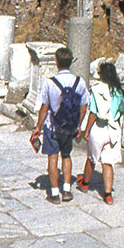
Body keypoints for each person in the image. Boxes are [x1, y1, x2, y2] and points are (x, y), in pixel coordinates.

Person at [30, 46, 89, 203]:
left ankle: (55, 193)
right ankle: (67, 190)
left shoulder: (50, 83)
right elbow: (84, 106)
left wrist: (38, 127)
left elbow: (44, 108)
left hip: (52, 126)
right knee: (67, 156)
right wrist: (79, 125)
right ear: (70, 63)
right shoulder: (80, 82)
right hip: (70, 126)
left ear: (57, 62)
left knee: (53, 158)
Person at [78, 61, 124, 205]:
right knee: (107, 163)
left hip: (99, 128)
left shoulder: (96, 89)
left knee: (92, 158)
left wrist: (87, 130)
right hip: (113, 129)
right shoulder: (118, 91)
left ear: (101, 75)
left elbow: (93, 112)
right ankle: (108, 195)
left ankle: (85, 183)